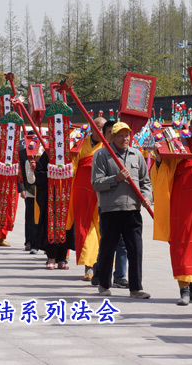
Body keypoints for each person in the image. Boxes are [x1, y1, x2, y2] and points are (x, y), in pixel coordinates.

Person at [154, 116, 192, 305]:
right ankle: (184, 289)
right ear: (190, 128)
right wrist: (158, 159)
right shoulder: (179, 146)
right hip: (183, 207)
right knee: (183, 245)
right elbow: (164, 168)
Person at [92, 122, 152, 299]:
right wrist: (116, 178)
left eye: (127, 135)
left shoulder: (137, 155)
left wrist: (147, 197)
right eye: (120, 135)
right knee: (108, 247)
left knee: (135, 249)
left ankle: (136, 287)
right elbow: (96, 183)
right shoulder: (102, 155)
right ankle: (104, 283)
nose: (124, 138)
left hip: (132, 209)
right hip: (111, 209)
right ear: (112, 137)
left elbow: (145, 182)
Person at [72, 117, 107, 280]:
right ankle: (88, 265)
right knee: (83, 226)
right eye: (97, 127)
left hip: (102, 190)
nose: (100, 131)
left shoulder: (109, 146)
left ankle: (102, 264)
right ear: (91, 128)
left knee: (101, 227)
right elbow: (72, 165)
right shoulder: (80, 143)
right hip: (82, 189)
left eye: (103, 128)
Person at [34, 150, 76, 269]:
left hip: (67, 194)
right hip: (51, 195)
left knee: (66, 225)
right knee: (51, 225)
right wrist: (52, 173)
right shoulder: (49, 152)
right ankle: (51, 257)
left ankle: (62, 258)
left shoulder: (72, 150)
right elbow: (39, 172)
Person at [20, 145, 40, 253]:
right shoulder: (26, 155)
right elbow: (24, 175)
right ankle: (31, 243)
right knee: (31, 219)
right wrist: (22, 189)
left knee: (43, 219)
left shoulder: (45, 153)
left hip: (43, 191)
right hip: (31, 192)